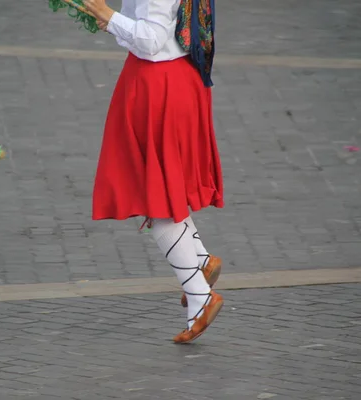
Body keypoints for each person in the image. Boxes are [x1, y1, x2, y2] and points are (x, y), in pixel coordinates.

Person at [85, 0, 224, 343]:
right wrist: (115, 22)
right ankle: (201, 261)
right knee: (166, 190)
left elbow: (150, 40)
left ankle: (200, 296)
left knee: (158, 201)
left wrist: (110, 16)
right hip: (176, 79)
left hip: (157, 86)